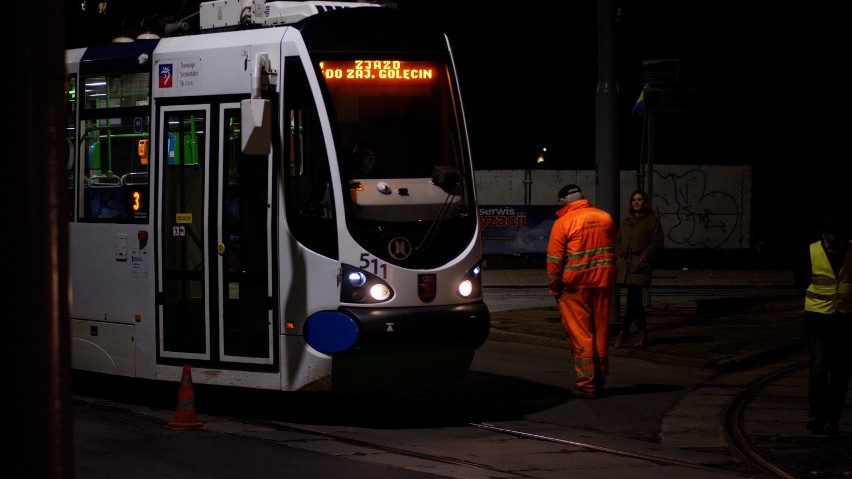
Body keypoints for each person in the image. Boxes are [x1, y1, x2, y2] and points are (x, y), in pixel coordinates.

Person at [546, 184, 617, 399]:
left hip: (575, 288)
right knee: (600, 334)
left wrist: (555, 287)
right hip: (603, 284)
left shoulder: (563, 222)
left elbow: (554, 261)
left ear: (564, 202)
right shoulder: (605, 217)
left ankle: (587, 384)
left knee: (581, 336)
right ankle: (600, 377)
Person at [794, 217, 852, 436]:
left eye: (836, 242)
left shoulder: (851, 253)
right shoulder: (811, 252)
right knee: (819, 367)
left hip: (846, 319)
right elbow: (800, 280)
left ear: (845, 240)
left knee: (840, 371)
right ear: (823, 236)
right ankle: (818, 414)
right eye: (828, 241)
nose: (831, 245)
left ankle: (832, 416)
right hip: (818, 318)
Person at [613, 189, 664, 348]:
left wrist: (644, 256)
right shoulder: (627, 221)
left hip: (639, 265)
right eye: (634, 199)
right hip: (626, 265)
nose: (636, 202)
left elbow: (657, 241)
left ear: (645, 202)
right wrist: (619, 256)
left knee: (632, 300)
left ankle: (623, 333)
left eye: (639, 199)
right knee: (634, 302)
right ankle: (640, 333)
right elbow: (618, 240)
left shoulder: (651, 220)